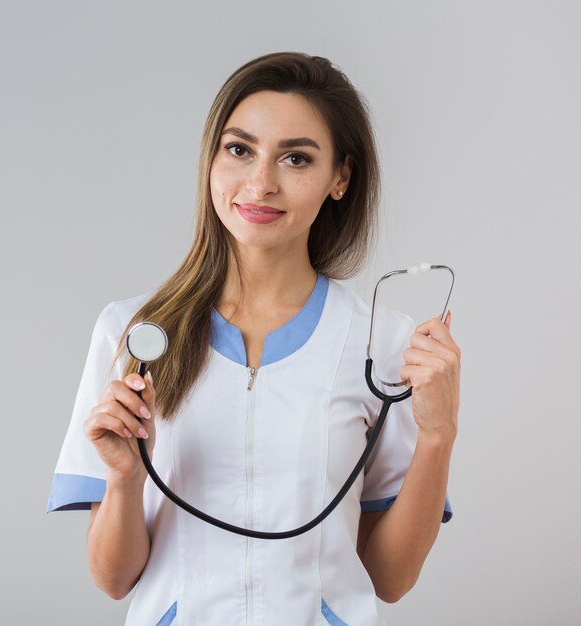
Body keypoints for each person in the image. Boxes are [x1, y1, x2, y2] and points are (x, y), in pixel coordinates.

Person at [47, 51, 460, 626]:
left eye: (296, 158)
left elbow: (389, 580)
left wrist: (438, 436)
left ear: (340, 177)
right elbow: (114, 580)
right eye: (239, 150)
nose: (260, 183)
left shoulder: (383, 343)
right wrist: (124, 479)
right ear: (212, 160)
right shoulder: (132, 333)